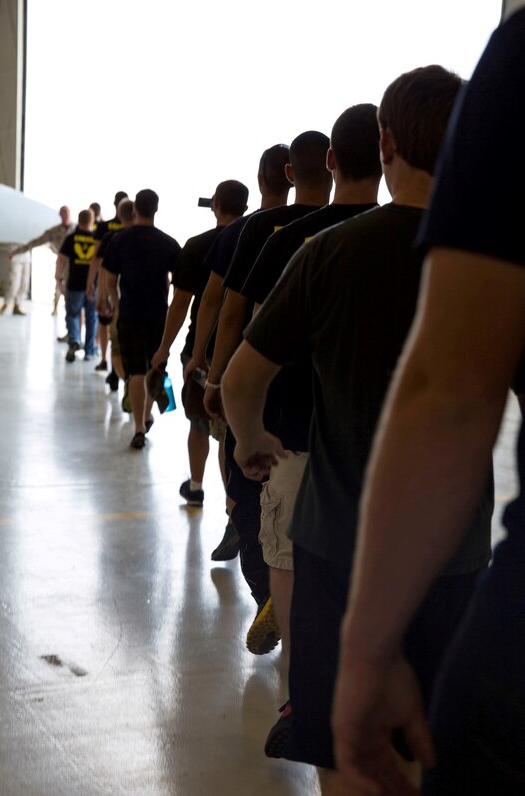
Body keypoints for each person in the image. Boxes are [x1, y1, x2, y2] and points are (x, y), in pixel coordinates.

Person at [222, 65, 492, 795]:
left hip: (342, 552)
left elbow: (242, 381)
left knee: (345, 752)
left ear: (386, 144)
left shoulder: (331, 253)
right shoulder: (493, 263)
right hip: (455, 556)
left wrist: (251, 441)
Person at [332, 9, 525, 796]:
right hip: (466, 549)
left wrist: (366, 651)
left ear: (387, 143)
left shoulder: (522, 63)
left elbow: (452, 392)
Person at [235, 103, 382, 756]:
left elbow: (251, 338)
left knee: (289, 561)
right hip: (383, 444)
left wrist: (246, 429)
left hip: (294, 431)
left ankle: (303, 693)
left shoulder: (297, 241)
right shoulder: (421, 240)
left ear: (329, 161)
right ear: (386, 155)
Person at [207, 130, 332, 656]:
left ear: (288, 174)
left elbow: (234, 312)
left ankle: (270, 597)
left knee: (252, 498)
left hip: (281, 401)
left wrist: (217, 377)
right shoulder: (374, 228)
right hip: (351, 414)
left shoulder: (269, 232)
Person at [184, 144, 291, 561]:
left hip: (240, 361)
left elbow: (217, 303)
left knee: (233, 440)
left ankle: (238, 517)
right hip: (293, 368)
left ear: (261, 179)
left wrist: (202, 359)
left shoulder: (242, 232)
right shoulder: (314, 228)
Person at [150, 180, 249, 506]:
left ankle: (196, 486)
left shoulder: (197, 245)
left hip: (201, 351)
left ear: (215, 205)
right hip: (243, 350)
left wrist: (164, 349)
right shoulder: (256, 238)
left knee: (200, 423)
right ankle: (233, 506)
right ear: (245, 208)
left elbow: (180, 303)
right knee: (229, 432)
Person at [103, 189, 181, 449]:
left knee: (136, 372)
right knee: (154, 368)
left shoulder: (120, 240)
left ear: (135, 209)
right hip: (158, 316)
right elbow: (181, 285)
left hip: (130, 315)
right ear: (156, 209)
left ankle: (138, 427)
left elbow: (110, 280)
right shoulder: (168, 243)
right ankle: (147, 416)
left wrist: (116, 305)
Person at [0, 205, 73, 316]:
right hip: (62, 263)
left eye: (67, 212)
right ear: (60, 215)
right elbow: (34, 243)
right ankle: (56, 310)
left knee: (73, 292)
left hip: (76, 264)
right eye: (63, 213)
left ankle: (71, 316)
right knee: (59, 287)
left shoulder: (77, 229)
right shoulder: (54, 231)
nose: (66, 215)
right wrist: (15, 252)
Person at [88, 191, 129, 387]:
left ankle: (106, 360)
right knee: (120, 330)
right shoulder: (134, 230)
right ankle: (117, 370)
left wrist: (91, 282)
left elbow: (96, 258)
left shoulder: (105, 229)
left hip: (107, 284)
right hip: (125, 288)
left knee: (105, 324)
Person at [56, 209, 97, 362]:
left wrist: (59, 278)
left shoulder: (71, 238)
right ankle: (89, 352)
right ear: (91, 221)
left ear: (78, 220)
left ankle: (74, 339)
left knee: (72, 315)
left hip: (74, 283)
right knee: (91, 318)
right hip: (92, 285)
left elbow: (61, 259)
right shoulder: (97, 239)